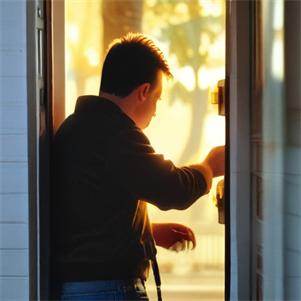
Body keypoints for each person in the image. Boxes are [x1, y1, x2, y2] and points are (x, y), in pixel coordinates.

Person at [50, 32, 225, 301]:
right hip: (108, 291)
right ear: (143, 91)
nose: (155, 110)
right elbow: (172, 189)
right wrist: (210, 165)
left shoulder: (74, 128)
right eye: (157, 98)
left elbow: (89, 215)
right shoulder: (117, 134)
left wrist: (148, 233)